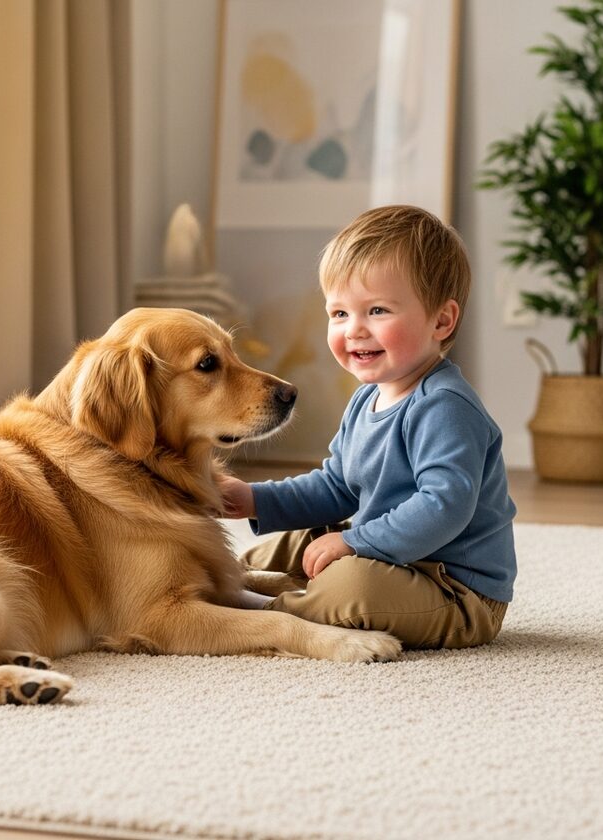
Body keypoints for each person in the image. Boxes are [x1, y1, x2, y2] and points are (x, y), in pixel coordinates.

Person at [220, 205, 516, 649]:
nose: (354, 330)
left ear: (441, 320)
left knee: (352, 586)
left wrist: (355, 542)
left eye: (377, 310)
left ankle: (268, 609)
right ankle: (238, 577)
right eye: (339, 313)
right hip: (395, 560)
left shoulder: (445, 407)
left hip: (453, 590)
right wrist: (254, 499)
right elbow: (337, 487)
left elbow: (444, 506)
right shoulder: (367, 398)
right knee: (307, 536)